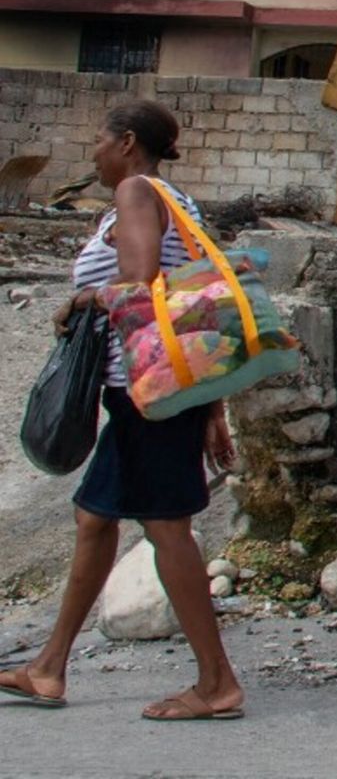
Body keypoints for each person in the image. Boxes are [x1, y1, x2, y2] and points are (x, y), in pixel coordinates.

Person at [0, 99, 244, 721]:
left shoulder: (136, 191)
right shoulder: (178, 204)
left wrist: (82, 299)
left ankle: (217, 683)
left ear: (128, 142)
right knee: (94, 518)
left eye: (100, 141)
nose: (95, 153)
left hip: (146, 392)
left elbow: (141, 282)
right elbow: (198, 304)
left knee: (166, 528)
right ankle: (49, 668)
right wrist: (211, 409)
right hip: (159, 390)